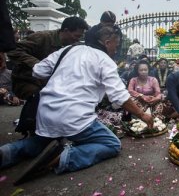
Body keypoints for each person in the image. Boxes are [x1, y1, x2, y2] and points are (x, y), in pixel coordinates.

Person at [0, 26, 154, 184]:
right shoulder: (104, 60)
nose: (117, 48)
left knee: (40, 142)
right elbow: (119, 96)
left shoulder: (67, 50)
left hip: (46, 112)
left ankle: (7, 153)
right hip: (75, 118)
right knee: (112, 144)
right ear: (107, 42)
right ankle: (62, 157)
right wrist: (142, 115)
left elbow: (38, 70)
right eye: (117, 44)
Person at [6, 16, 89, 135]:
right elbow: (13, 50)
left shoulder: (71, 47)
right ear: (65, 31)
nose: (77, 40)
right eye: (76, 36)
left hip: (47, 82)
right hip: (25, 80)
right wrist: (38, 65)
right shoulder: (42, 37)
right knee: (39, 96)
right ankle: (29, 128)